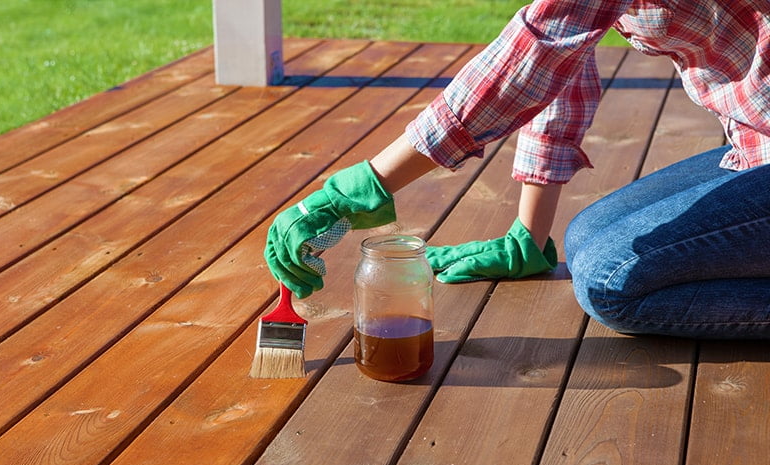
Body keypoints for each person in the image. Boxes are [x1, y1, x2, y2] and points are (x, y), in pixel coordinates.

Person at [265, 0, 770, 339]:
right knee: (586, 238)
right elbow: (560, 67)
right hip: (754, 145)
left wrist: (356, 191)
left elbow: (520, 68)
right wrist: (528, 237)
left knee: (607, 284)